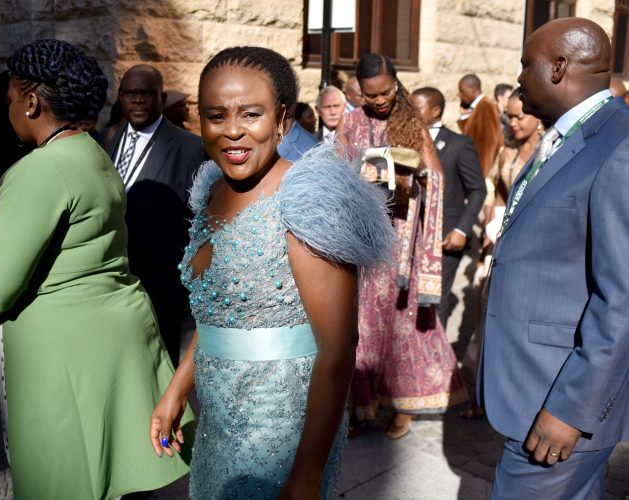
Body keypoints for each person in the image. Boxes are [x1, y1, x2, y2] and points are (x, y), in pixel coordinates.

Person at [0, 39, 192, 499]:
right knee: (107, 476)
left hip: (65, 350)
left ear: (32, 101)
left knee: (63, 477)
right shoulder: (94, 153)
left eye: (11, 101)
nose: (9, 111)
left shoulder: (41, 169)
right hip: (112, 334)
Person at [149, 46, 394, 498]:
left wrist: (306, 474)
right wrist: (177, 388)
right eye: (216, 115)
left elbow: (338, 351)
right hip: (218, 419)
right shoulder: (209, 190)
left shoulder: (309, 202)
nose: (233, 131)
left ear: (282, 120)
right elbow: (222, 309)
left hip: (283, 432)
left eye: (251, 114)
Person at [482, 18, 629, 499]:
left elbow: (623, 300)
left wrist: (572, 408)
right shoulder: (568, 134)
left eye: (528, 64)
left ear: (560, 66)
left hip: (560, 402)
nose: (520, 77)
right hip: (531, 386)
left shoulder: (619, 145)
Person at [341, 53, 468, 439]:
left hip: (399, 245)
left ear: (396, 84)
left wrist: (416, 179)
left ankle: (404, 408)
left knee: (401, 327)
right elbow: (336, 170)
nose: (379, 101)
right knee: (361, 328)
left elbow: (438, 177)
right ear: (360, 92)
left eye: (385, 92)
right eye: (370, 94)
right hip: (363, 242)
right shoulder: (351, 122)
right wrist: (365, 172)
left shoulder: (412, 121)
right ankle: (363, 409)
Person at [102, 64, 207, 365]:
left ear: (161, 97)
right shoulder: (108, 137)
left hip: (159, 286)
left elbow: (197, 219)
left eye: (145, 93)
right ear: (120, 97)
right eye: (129, 93)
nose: (137, 100)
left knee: (159, 366)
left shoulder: (190, 148)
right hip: (113, 276)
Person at [410, 87, 486, 328]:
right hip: (412, 237)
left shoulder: (458, 144)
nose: (411, 113)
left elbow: (478, 190)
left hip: (445, 238)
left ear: (436, 110)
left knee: (435, 303)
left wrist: (462, 230)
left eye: (417, 108)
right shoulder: (405, 140)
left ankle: (435, 360)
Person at [457, 74, 504, 177]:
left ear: (473, 89)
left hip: (479, 170)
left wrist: (481, 175)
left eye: (462, 91)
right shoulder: (477, 107)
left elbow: (488, 145)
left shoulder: (485, 106)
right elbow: (472, 133)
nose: (460, 95)